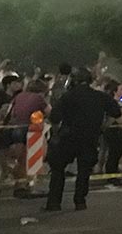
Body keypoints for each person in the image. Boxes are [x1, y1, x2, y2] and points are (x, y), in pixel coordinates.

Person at [45, 69, 117, 211]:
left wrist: (55, 133)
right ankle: (80, 201)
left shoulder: (67, 96)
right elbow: (115, 112)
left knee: (58, 168)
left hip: (69, 136)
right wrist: (103, 127)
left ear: (74, 80)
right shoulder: (99, 96)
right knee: (84, 170)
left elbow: (54, 117)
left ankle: (54, 202)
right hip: (90, 137)